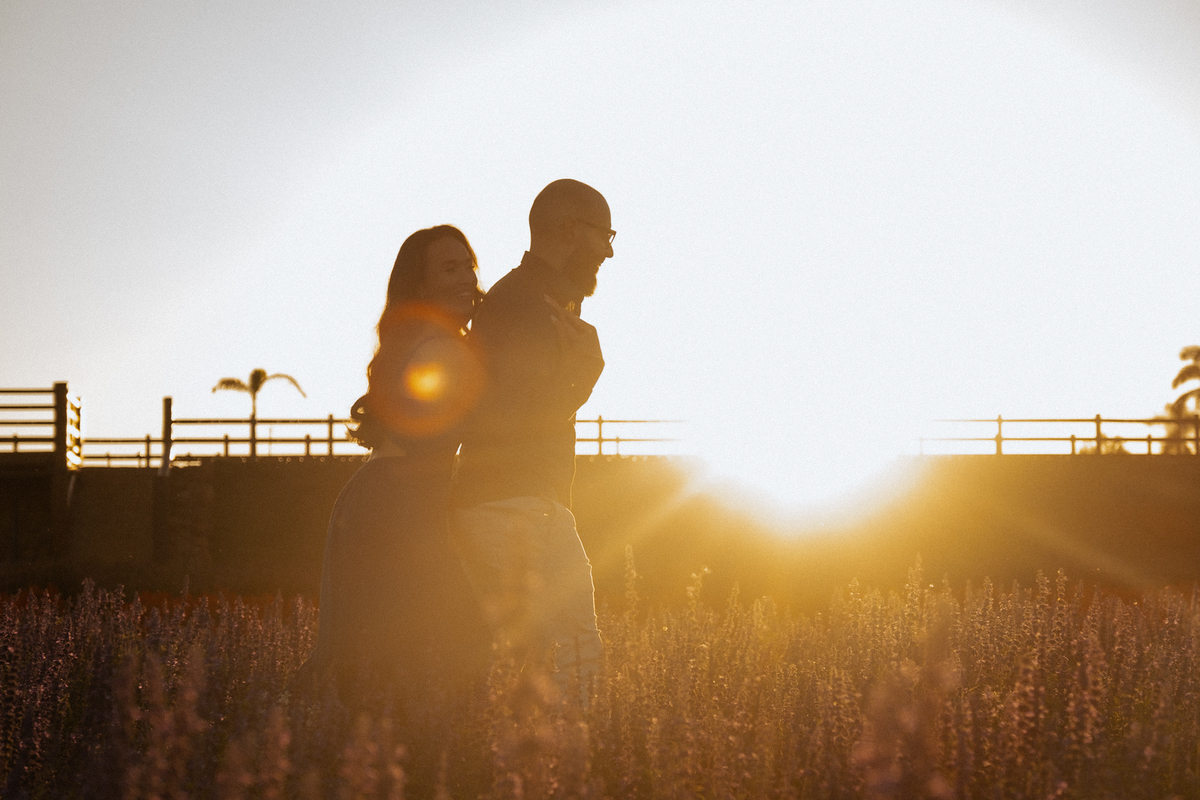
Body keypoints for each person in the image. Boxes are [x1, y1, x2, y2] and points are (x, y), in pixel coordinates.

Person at [298, 225, 491, 794]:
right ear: (421, 284)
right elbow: (439, 437)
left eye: (468, 265)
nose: (466, 278)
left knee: (370, 654)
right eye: (448, 269)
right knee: (416, 653)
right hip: (398, 503)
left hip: (378, 497)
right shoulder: (443, 347)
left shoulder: (417, 341)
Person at [451, 179, 614, 701]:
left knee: (559, 666)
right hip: (512, 509)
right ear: (569, 230)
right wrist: (583, 372)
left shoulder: (544, 302)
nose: (609, 251)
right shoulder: (521, 305)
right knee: (571, 668)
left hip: (523, 505)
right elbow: (521, 415)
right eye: (604, 234)